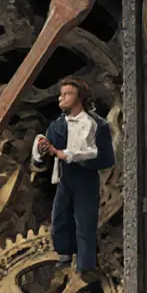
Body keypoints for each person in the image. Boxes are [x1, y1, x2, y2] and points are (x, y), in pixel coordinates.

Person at [32, 78, 114, 275]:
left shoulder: (97, 125)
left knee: (84, 222)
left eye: (67, 94)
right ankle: (65, 254)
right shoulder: (57, 126)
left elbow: (106, 158)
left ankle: (86, 266)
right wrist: (41, 148)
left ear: (80, 98)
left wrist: (71, 156)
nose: (61, 98)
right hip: (64, 177)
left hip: (86, 177)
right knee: (60, 218)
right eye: (60, 95)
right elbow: (41, 152)